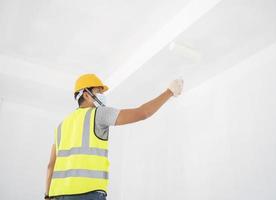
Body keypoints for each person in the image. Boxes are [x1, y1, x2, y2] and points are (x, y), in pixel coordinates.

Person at [44, 73, 184, 200]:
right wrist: (169, 92)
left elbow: (51, 165)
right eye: (98, 91)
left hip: (57, 195)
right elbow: (142, 113)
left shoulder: (61, 125)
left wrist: (47, 195)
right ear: (86, 95)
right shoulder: (98, 114)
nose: (102, 95)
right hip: (88, 193)